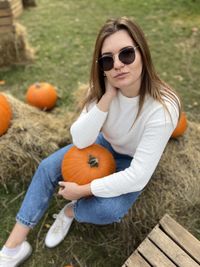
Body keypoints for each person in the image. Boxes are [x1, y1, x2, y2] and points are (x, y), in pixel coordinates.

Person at [0, 16, 180, 266]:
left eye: (126, 54)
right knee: (47, 168)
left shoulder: (162, 108)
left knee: (108, 210)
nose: (118, 65)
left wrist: (82, 191)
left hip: (132, 160)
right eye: (108, 60)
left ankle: (71, 211)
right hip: (103, 144)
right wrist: (106, 98)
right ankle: (13, 248)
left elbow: (139, 175)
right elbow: (80, 139)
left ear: (142, 53)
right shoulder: (103, 90)